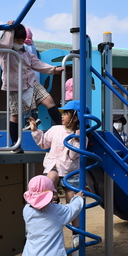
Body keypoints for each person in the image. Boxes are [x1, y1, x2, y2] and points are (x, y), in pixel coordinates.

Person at [0, 22, 65, 153]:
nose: (20, 43)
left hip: (31, 83)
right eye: (17, 40)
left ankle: (64, 130)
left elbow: (37, 64)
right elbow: (5, 43)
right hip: (15, 87)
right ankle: (15, 144)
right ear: (12, 39)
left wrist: (53, 69)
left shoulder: (25, 53)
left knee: (50, 101)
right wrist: (9, 30)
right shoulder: (5, 52)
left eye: (22, 40)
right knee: (16, 116)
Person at [28, 100, 85, 247]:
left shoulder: (82, 136)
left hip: (70, 170)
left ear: (76, 117)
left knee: (72, 198)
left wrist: (76, 139)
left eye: (66, 114)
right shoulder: (55, 129)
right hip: (52, 166)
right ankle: (50, 210)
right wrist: (35, 130)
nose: (62, 116)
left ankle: (76, 233)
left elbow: (73, 155)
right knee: (49, 179)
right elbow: (44, 144)